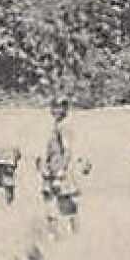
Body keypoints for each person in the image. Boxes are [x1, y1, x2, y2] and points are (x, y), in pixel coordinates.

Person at [39, 99, 89, 237]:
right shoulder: (57, 126)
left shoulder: (64, 128)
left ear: (65, 110)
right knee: (55, 203)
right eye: (53, 107)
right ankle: (58, 235)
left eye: (59, 108)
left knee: (63, 204)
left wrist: (60, 173)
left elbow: (67, 152)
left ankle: (66, 235)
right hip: (52, 170)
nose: (55, 110)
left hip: (60, 171)